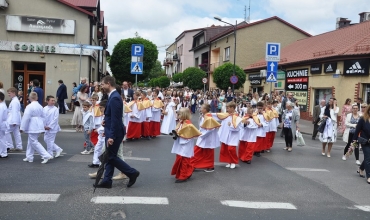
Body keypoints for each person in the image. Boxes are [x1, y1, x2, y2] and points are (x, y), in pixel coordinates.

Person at [94, 76, 140, 189]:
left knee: (110, 157)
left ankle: (132, 172)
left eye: (103, 84)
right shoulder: (113, 96)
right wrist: (106, 121)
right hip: (111, 130)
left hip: (114, 132)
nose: (102, 86)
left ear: (108, 83)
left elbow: (116, 119)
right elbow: (111, 116)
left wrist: (111, 136)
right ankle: (107, 180)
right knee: (110, 156)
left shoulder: (114, 97)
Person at [171, 108, 201, 183]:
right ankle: (185, 173)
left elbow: (188, 135)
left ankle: (183, 176)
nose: (178, 115)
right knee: (180, 158)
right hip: (181, 143)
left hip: (185, 144)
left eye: (179, 114)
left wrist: (179, 135)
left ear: (184, 115)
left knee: (184, 160)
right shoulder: (182, 122)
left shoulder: (188, 124)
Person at [21, 92, 52, 164]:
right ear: (37, 98)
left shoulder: (29, 106)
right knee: (31, 141)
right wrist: (43, 125)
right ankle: (29, 156)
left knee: (34, 141)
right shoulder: (40, 106)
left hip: (32, 125)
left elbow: (26, 117)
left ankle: (46, 155)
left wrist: (22, 127)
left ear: (29, 98)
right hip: (38, 124)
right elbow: (44, 117)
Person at [191, 104, 221, 172]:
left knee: (200, 151)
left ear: (205, 110)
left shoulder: (208, 118)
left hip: (206, 137)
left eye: (201, 107)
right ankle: (195, 165)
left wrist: (201, 135)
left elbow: (210, 129)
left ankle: (209, 166)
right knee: (204, 152)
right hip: (204, 137)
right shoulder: (204, 116)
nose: (200, 108)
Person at [213, 101, 243, 169]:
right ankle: (229, 161)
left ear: (232, 108)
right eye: (226, 107)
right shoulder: (226, 115)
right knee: (225, 149)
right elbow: (217, 116)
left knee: (231, 149)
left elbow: (238, 127)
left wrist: (231, 126)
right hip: (225, 135)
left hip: (233, 135)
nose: (227, 109)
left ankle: (233, 161)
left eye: (228, 107)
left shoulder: (237, 117)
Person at [352, 105, 370, 184]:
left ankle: (361, 169)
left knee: (368, 158)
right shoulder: (363, 119)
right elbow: (357, 130)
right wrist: (354, 140)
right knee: (368, 158)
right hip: (365, 141)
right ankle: (369, 176)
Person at [88, 100, 107, 168]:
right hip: (101, 135)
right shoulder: (104, 114)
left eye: (101, 107)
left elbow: (107, 125)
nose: (100, 109)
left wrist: (98, 129)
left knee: (103, 150)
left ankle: (102, 164)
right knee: (97, 148)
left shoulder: (108, 115)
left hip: (105, 135)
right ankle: (95, 162)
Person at [5, 87, 23, 151]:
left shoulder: (14, 101)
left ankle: (10, 146)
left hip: (13, 119)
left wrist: (14, 121)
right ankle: (19, 146)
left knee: (6, 131)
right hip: (15, 119)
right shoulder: (15, 100)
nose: (8, 94)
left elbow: (15, 111)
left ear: (13, 93)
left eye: (9, 93)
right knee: (16, 133)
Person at [0, 92, 9, 158]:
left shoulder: (1, 106)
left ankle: (3, 153)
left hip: (1, 124)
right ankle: (3, 152)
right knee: (2, 138)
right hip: (3, 123)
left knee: (1, 139)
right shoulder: (3, 105)